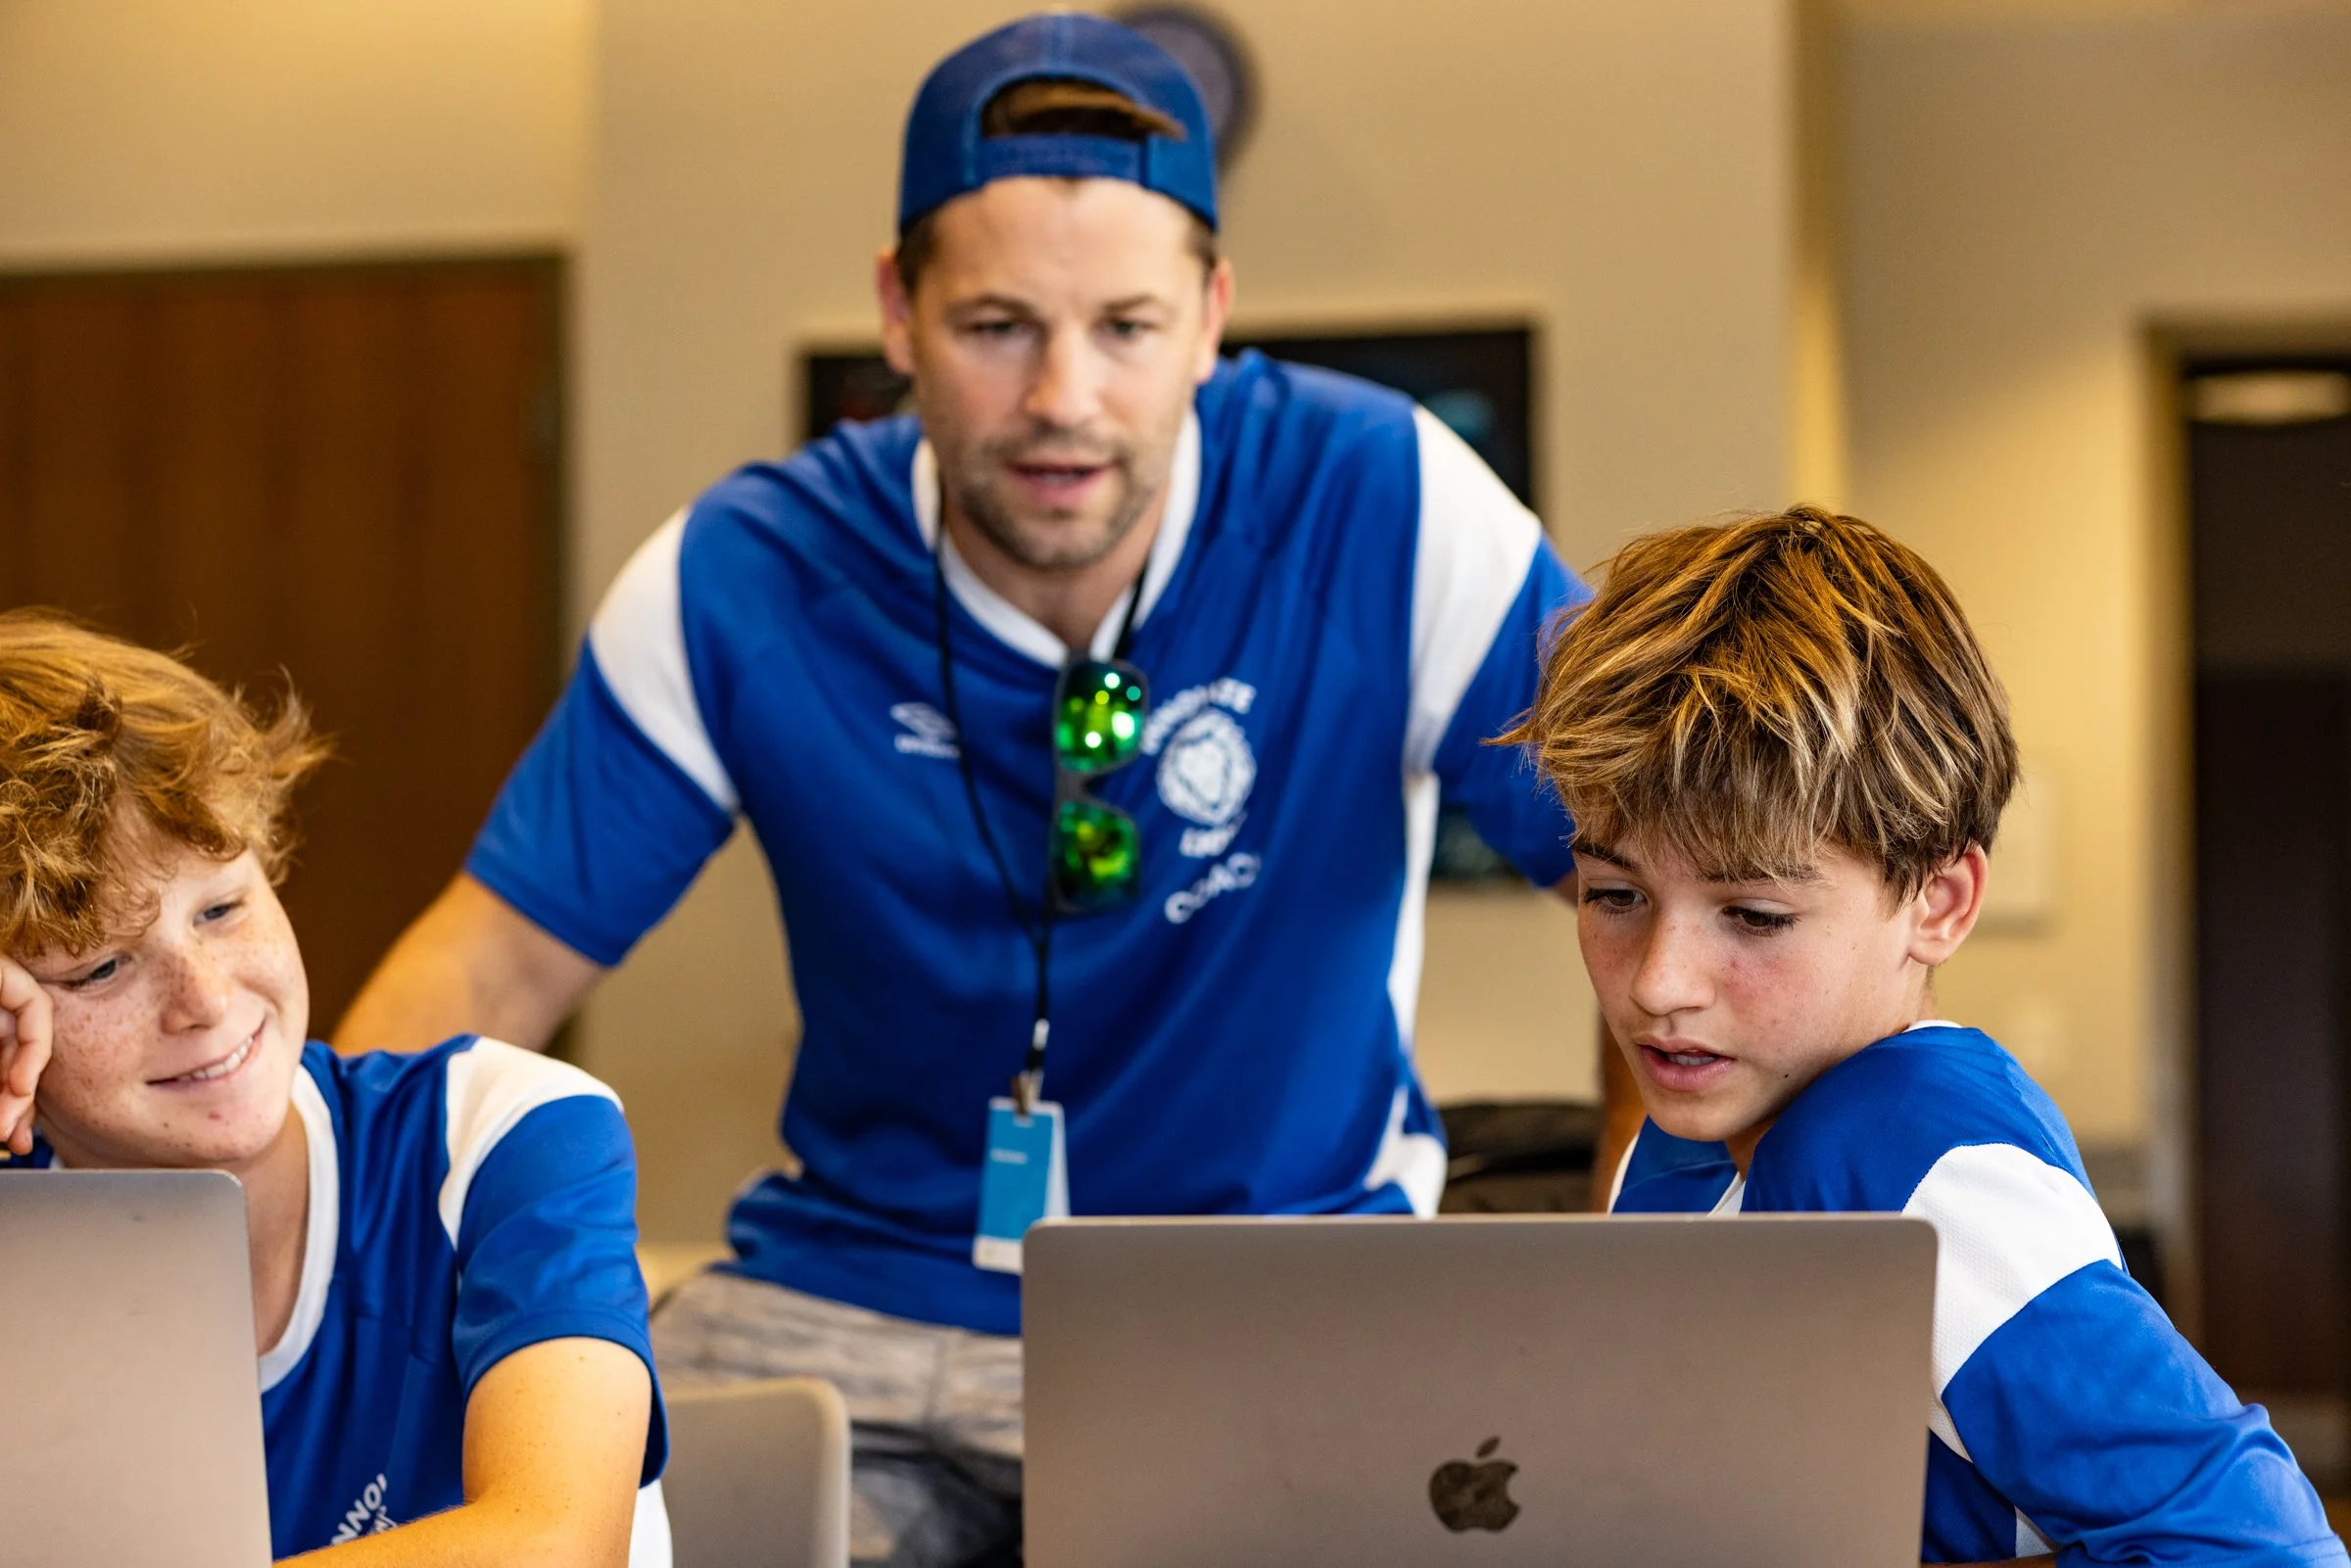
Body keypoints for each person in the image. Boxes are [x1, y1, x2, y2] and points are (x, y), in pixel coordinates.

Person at [335, 13, 1589, 1564]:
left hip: (1271, 1294)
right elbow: (492, 962)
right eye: (999, 325)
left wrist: (1633, 1245)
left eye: (1127, 327)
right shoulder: (744, 571)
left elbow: (1646, 870)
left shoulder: (1393, 500)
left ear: (1211, 315)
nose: (1065, 396)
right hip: (844, 1296)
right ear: (899, 312)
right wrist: (317, 1288)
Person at [1503, 505, 2345, 1566]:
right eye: (1614, 893)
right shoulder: (1695, 1116)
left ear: (1938, 901)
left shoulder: (1922, 1165)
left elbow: (2260, 1549)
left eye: (1755, 917)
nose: (1659, 986)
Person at [0, 611, 669, 1567]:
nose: (208, 996)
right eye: (102, 967)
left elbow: (556, 1542)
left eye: (224, 907)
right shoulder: (18, 1202)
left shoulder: (502, 1131)